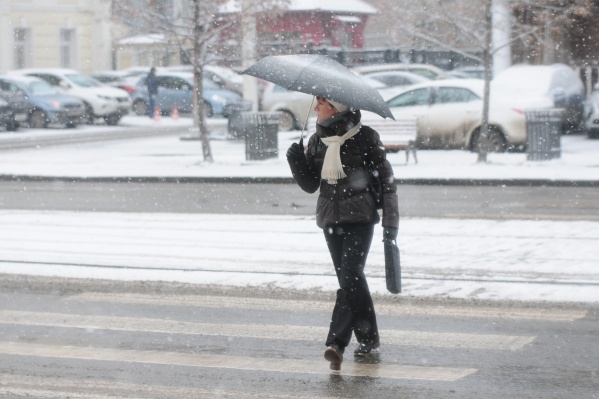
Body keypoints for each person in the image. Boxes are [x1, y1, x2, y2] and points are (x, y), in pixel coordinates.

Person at [286, 97, 399, 371]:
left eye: (322, 103)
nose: (316, 108)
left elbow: (387, 182)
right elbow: (312, 185)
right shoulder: (316, 140)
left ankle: (336, 343)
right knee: (351, 281)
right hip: (330, 220)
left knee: (350, 276)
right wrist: (295, 161)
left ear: (336, 108)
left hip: (360, 219)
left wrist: (390, 224)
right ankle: (369, 338)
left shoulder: (365, 138)